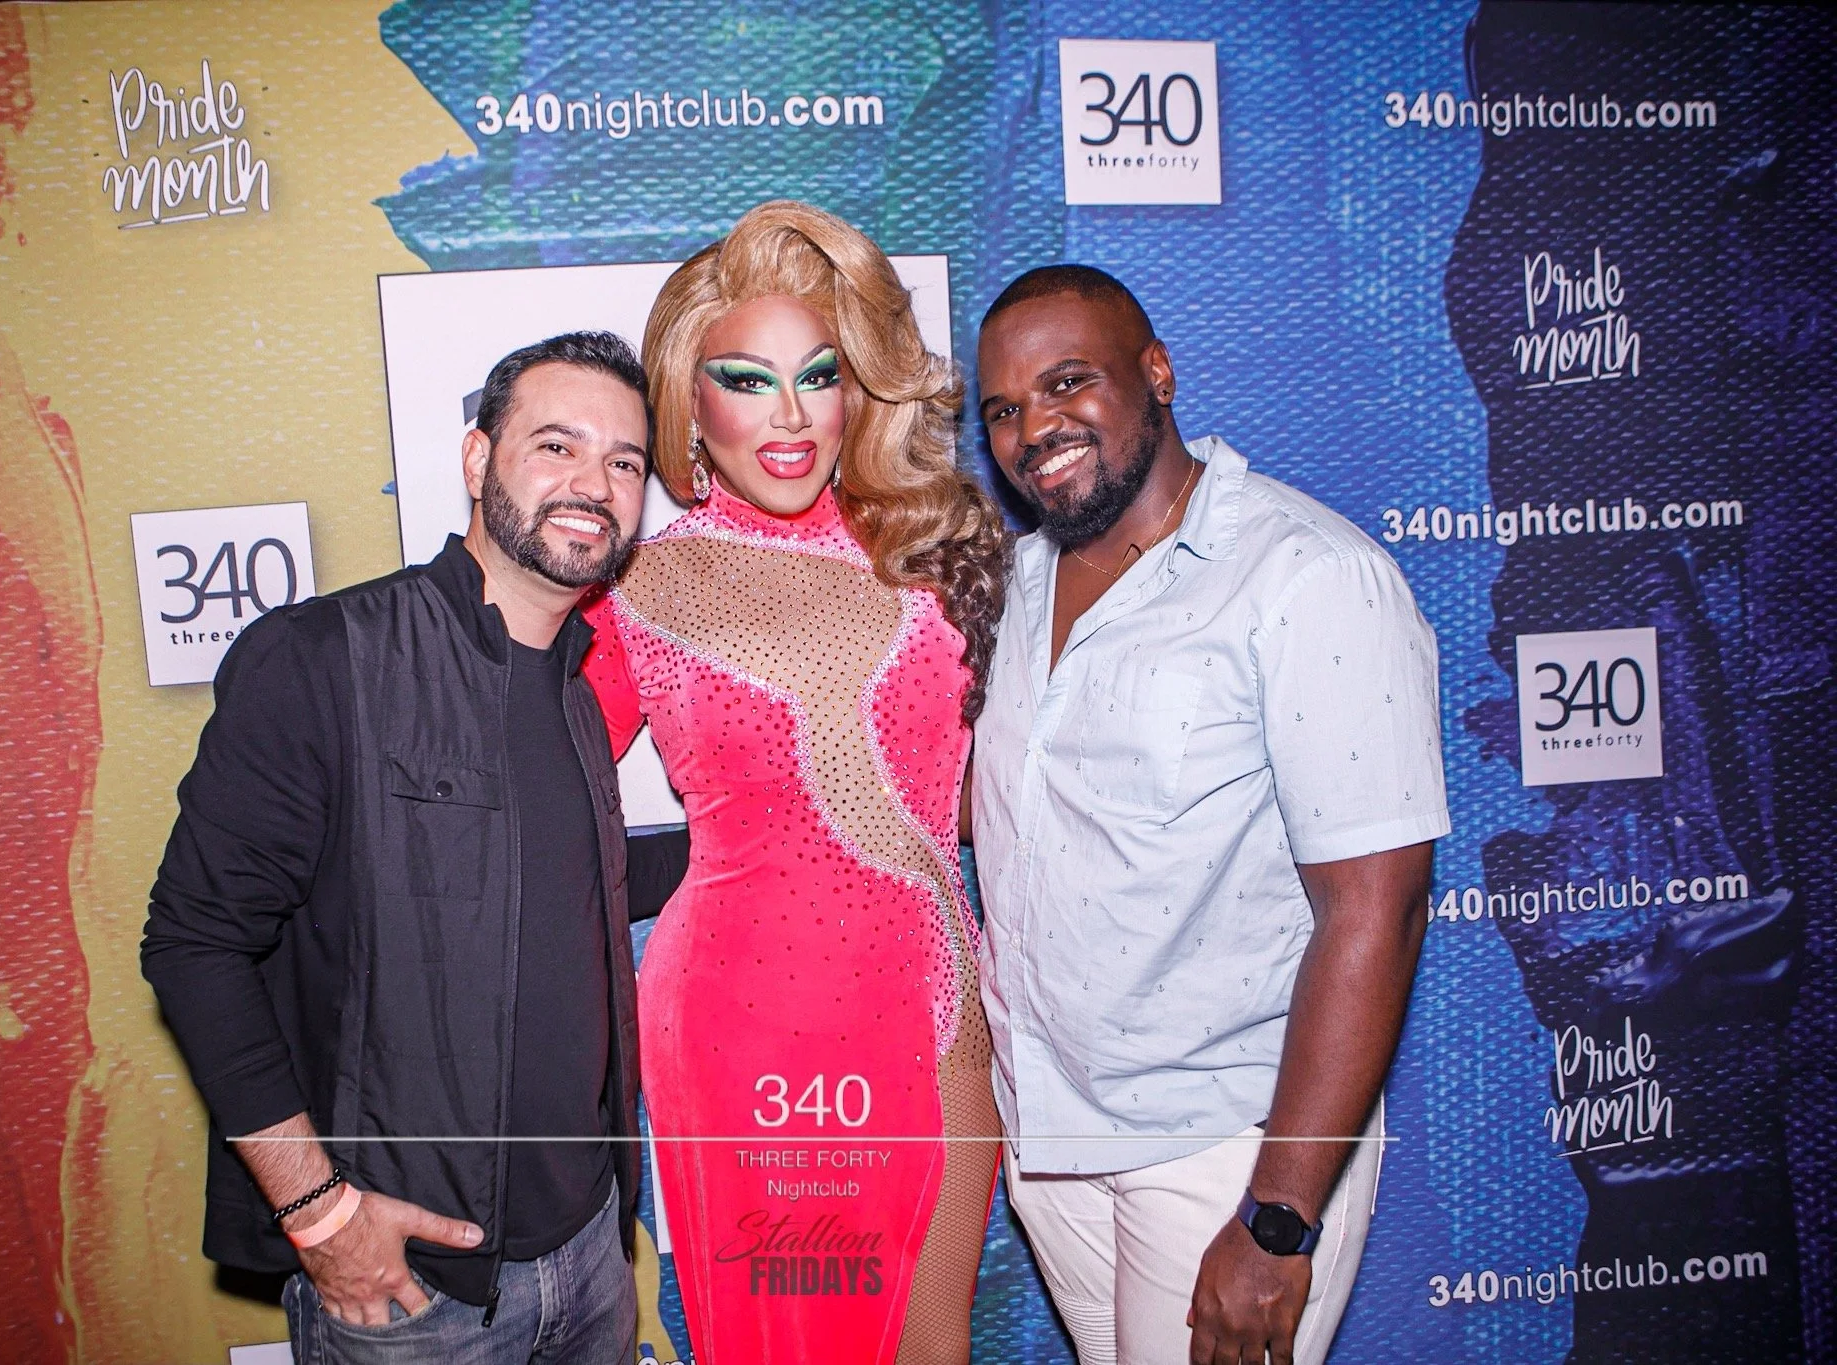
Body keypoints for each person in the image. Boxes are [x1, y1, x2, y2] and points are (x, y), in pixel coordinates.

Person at [142, 332, 691, 1364]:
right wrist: (317, 1213)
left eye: (623, 461)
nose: (594, 483)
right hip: (411, 1295)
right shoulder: (323, 660)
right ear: (478, 459)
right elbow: (194, 944)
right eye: (557, 445)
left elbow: (575, 881)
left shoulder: (575, 693)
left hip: (589, 1257)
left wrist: (756, 846)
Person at [968, 266, 1448, 1365]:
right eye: (1002, 409)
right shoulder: (1017, 585)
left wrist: (1277, 1219)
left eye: (1067, 383)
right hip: (1053, 1134)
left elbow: (1378, 909)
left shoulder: (1307, 576)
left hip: (1224, 1148)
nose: (1033, 428)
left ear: (1157, 372)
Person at [581, 200, 1011, 1365]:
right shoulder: (636, 591)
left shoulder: (932, 551)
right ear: (690, 401)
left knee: (934, 1347)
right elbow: (529, 798)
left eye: (817, 376)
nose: (787, 414)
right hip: (753, 1031)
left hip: (942, 1009)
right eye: (746, 379)